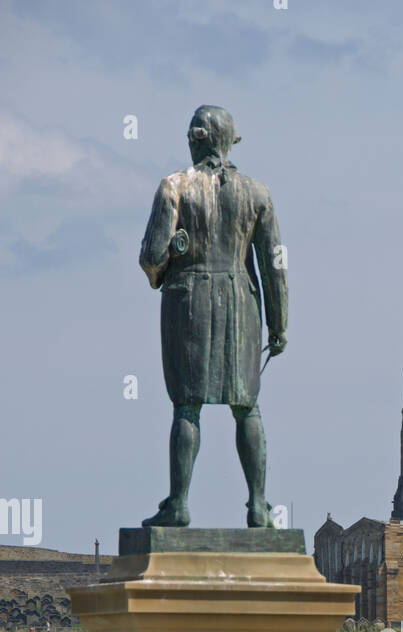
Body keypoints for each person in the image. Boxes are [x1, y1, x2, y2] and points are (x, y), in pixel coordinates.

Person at [139, 106, 288, 528]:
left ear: (198, 139)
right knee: (248, 407)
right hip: (242, 301)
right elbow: (275, 263)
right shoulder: (258, 193)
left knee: (187, 407)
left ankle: (179, 504)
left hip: (188, 303)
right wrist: (279, 324)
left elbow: (151, 257)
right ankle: (259, 505)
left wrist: (172, 254)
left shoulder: (174, 186)